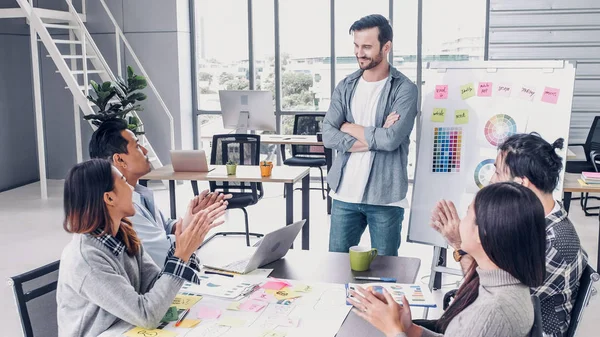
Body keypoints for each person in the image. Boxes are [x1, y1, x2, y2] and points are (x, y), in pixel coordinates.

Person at [431, 133, 587, 336]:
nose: (490, 180)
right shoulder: (530, 222)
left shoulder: (550, 244)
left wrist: (460, 244)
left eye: (497, 172)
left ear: (521, 184)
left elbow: (496, 298)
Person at [349, 182, 547, 337]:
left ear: (482, 232)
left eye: (468, 213)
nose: (460, 220)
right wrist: (410, 329)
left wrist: (393, 330)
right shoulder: (504, 286)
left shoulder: (491, 314)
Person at [56, 159, 226, 336]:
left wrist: (185, 243)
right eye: (123, 181)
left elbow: (154, 286)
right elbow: (147, 315)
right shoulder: (87, 260)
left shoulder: (123, 234)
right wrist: (181, 256)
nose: (131, 188)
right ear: (109, 197)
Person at [323, 14, 418, 256]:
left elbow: (392, 140)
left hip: (385, 198)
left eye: (367, 46)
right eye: (356, 45)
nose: (359, 52)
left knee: (386, 275)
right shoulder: (345, 86)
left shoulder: (405, 89)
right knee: (336, 269)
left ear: (386, 47)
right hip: (344, 193)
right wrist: (377, 137)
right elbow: (328, 135)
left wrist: (349, 126)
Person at [89, 118, 231, 266]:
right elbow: (166, 253)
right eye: (137, 146)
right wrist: (197, 227)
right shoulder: (122, 208)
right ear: (119, 159)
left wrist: (191, 218)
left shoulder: (138, 193)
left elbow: (166, 228)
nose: (145, 151)